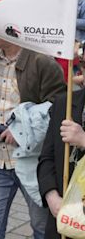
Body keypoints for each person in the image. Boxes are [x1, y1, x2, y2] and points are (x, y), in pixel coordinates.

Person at [0, 37, 66, 239]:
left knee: (42, 228)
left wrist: (23, 130)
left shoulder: (43, 62)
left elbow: (58, 108)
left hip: (32, 162)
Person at [38, 88, 85, 238]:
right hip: (64, 221)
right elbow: (46, 157)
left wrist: (83, 140)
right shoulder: (64, 103)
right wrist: (52, 197)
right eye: (84, 65)